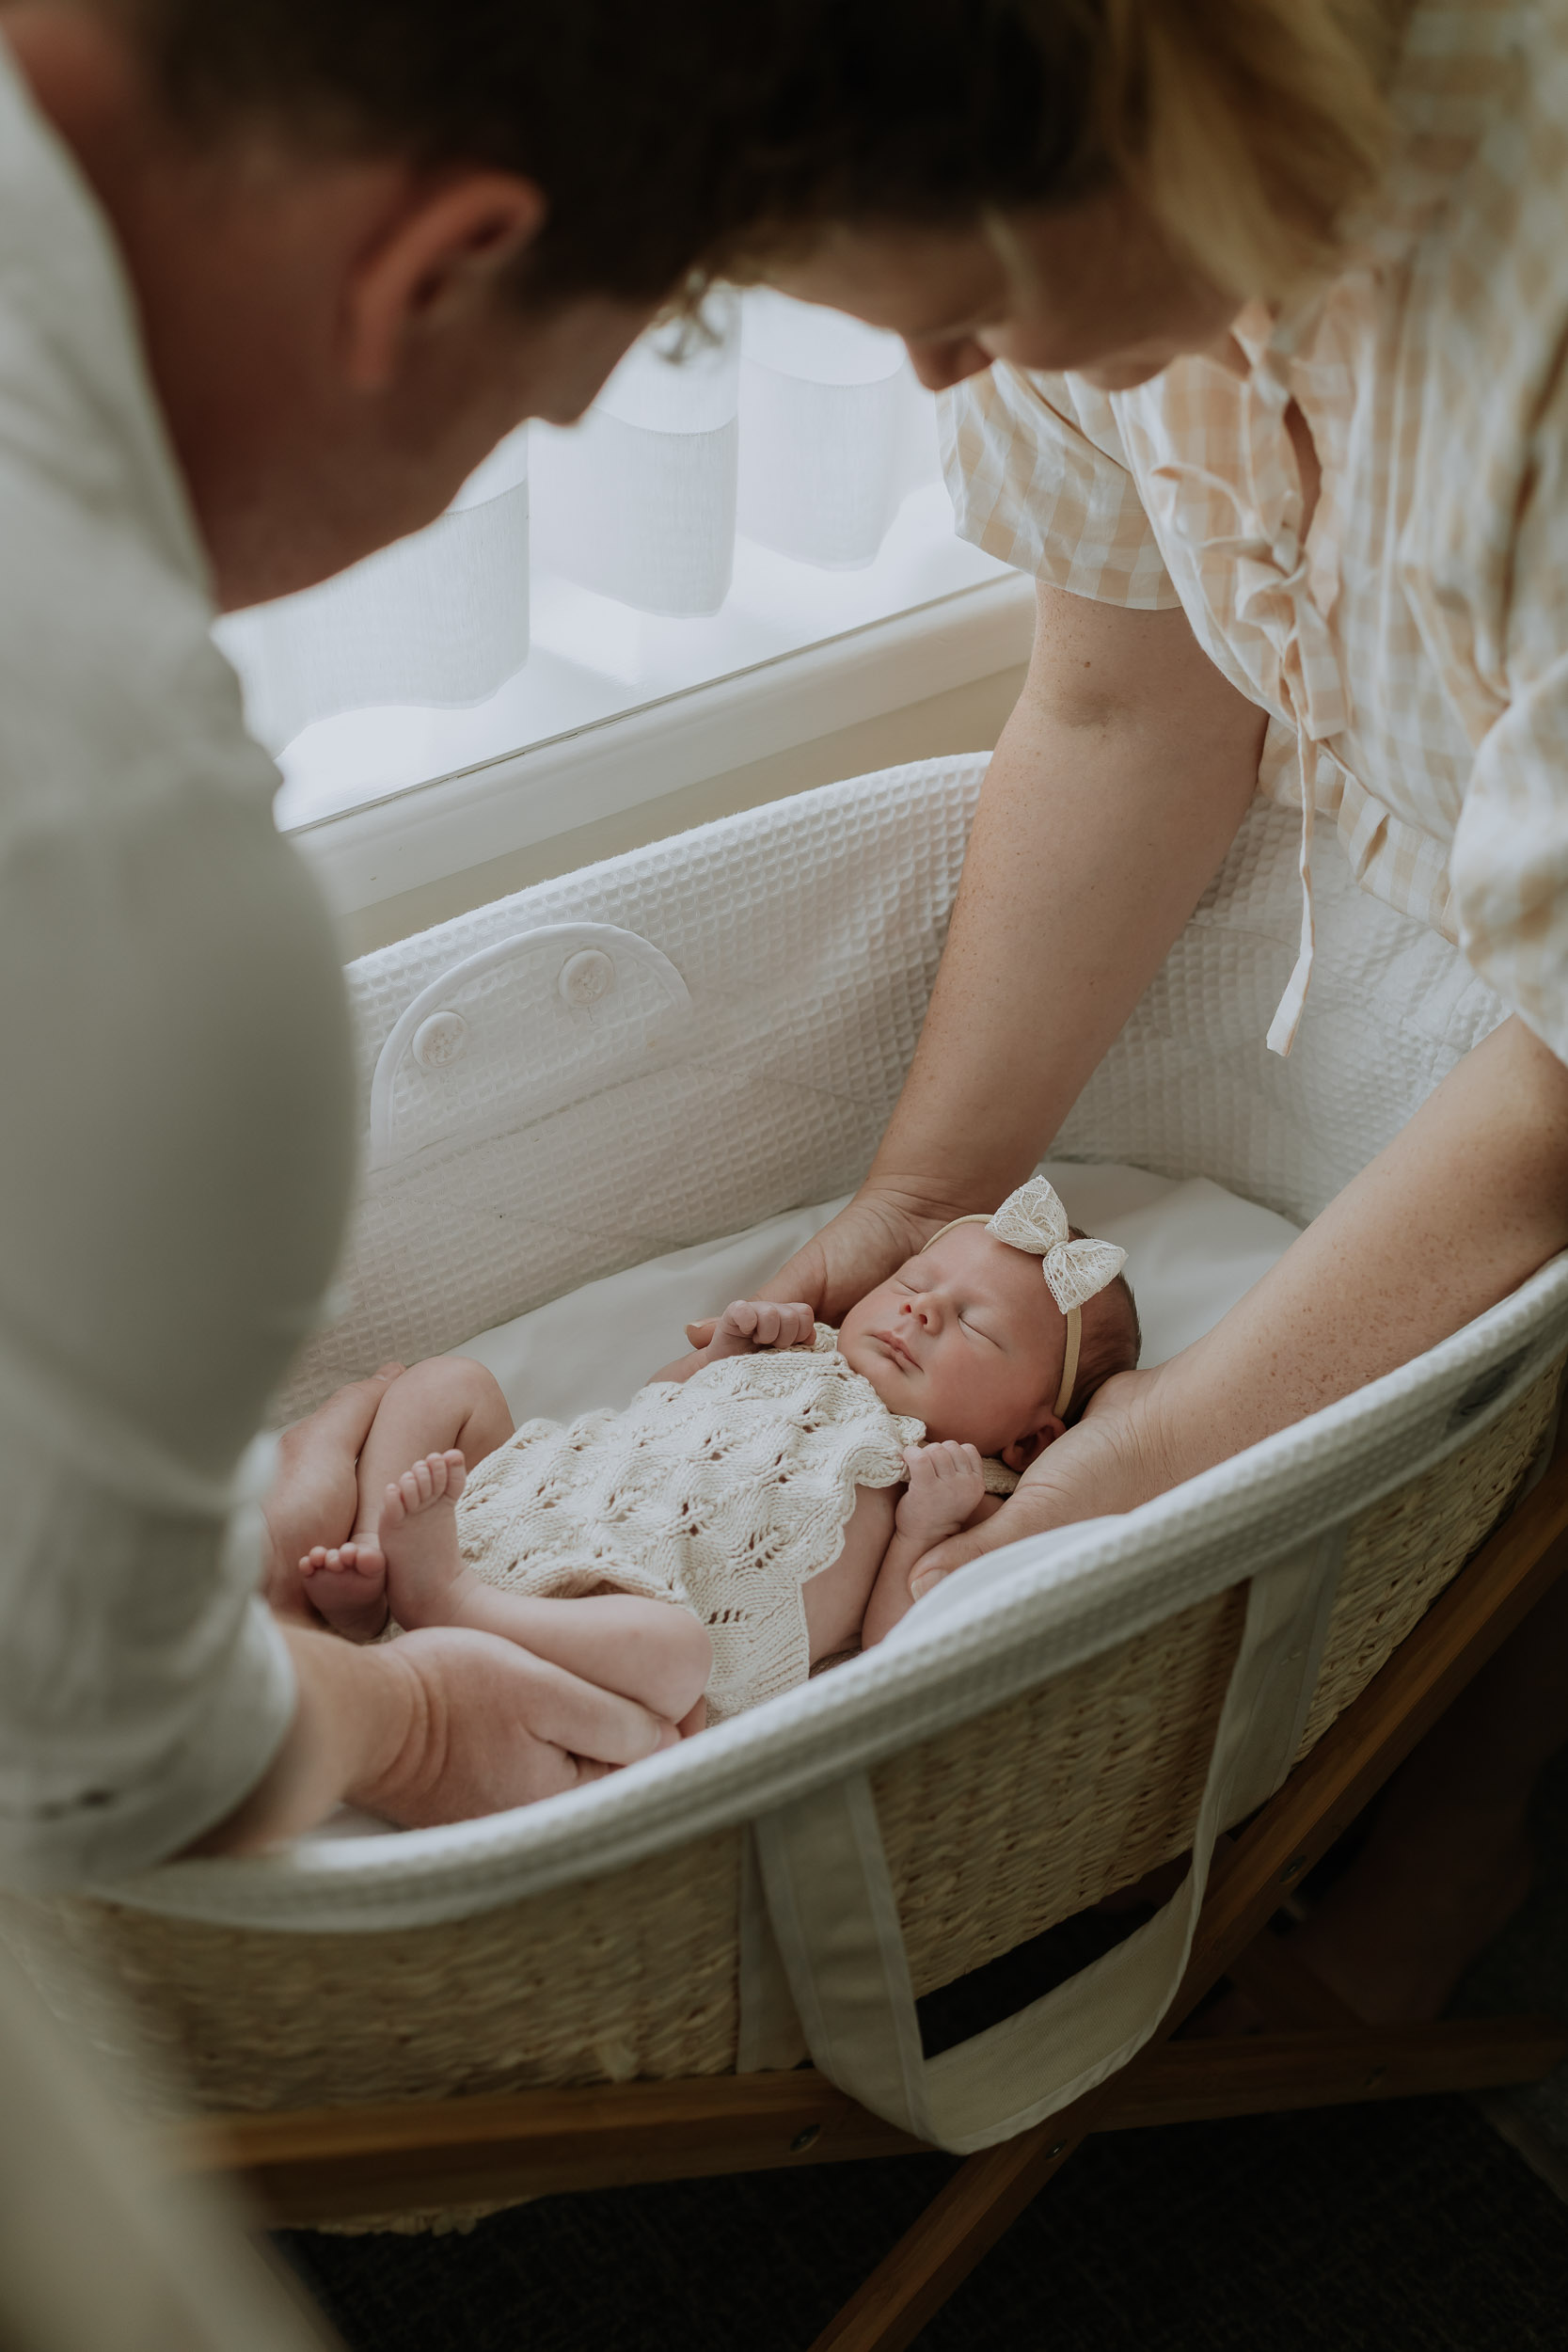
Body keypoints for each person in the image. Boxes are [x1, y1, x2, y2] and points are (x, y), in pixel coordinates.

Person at [669, 0, 1568, 2020]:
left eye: (958, 288)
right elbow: (1122, 697)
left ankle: (1461, 1828)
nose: (930, 367)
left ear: (1153, 122)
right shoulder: (1104, 267)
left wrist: (1165, 1452)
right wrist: (925, 1185)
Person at [0, 0, 853, 1888]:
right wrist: (422, 1712)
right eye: (521, 422)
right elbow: (86, 1750)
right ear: (442, 271)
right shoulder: (139, 876)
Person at [270, 1180, 1139, 1739]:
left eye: (974, 1328)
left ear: (1025, 1440)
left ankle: (441, 1600)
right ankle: (378, 1572)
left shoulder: (964, 1492)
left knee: (667, 1645)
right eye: (914, 1285)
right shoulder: (805, 1345)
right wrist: (722, 1351)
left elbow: (893, 1652)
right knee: (444, 1385)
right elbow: (661, 1402)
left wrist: (920, 1530)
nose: (919, 1314)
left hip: (614, 1613)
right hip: (534, 1501)